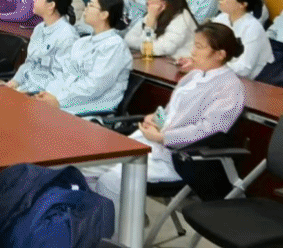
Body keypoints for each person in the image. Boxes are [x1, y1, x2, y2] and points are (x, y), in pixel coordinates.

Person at [91, 21, 246, 202]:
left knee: (111, 180)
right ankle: (102, 213)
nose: (192, 51)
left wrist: (164, 138)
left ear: (220, 54)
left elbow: (208, 130)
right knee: (90, 166)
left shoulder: (230, 88)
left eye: (199, 47)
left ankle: (118, 219)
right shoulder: (194, 75)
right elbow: (171, 112)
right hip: (155, 143)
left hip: (181, 157)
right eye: (194, 45)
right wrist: (155, 119)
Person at [25, 0, 131, 116]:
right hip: (67, 102)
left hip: (91, 110)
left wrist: (58, 100)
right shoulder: (82, 42)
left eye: (91, 5)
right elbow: (65, 74)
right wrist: (49, 92)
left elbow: (94, 87)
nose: (86, 8)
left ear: (104, 14)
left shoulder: (115, 46)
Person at [8, 0, 78, 95]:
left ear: (51, 6)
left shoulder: (67, 36)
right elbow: (29, 63)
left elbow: (63, 78)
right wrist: (15, 81)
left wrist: (32, 93)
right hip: (26, 88)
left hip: (44, 95)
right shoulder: (39, 28)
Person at [204, 0, 272, 80]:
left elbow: (245, 69)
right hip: (224, 73)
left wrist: (213, 65)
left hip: (255, 81)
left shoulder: (253, 28)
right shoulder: (221, 18)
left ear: (242, 4)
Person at [125, 0, 196, 59]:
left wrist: (149, 26)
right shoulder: (154, 13)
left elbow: (153, 50)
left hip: (183, 65)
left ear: (165, 2)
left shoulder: (182, 19)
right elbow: (128, 39)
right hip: (162, 62)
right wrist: (145, 44)